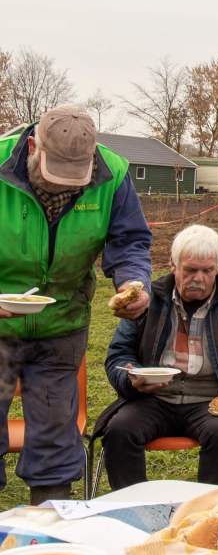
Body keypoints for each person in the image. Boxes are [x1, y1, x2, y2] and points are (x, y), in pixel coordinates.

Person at [0, 106, 152, 504]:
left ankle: (52, 521)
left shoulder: (113, 174)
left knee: (54, 441)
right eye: (54, 178)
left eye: (73, 182)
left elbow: (129, 241)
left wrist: (133, 283)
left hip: (61, 325)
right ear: (32, 147)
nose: (62, 190)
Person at [98, 224, 218, 488]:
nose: (199, 278)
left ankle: (208, 508)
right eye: (190, 270)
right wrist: (131, 379)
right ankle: (131, 505)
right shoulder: (147, 301)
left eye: (207, 271)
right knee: (119, 430)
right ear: (173, 266)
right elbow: (118, 354)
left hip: (213, 400)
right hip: (154, 398)